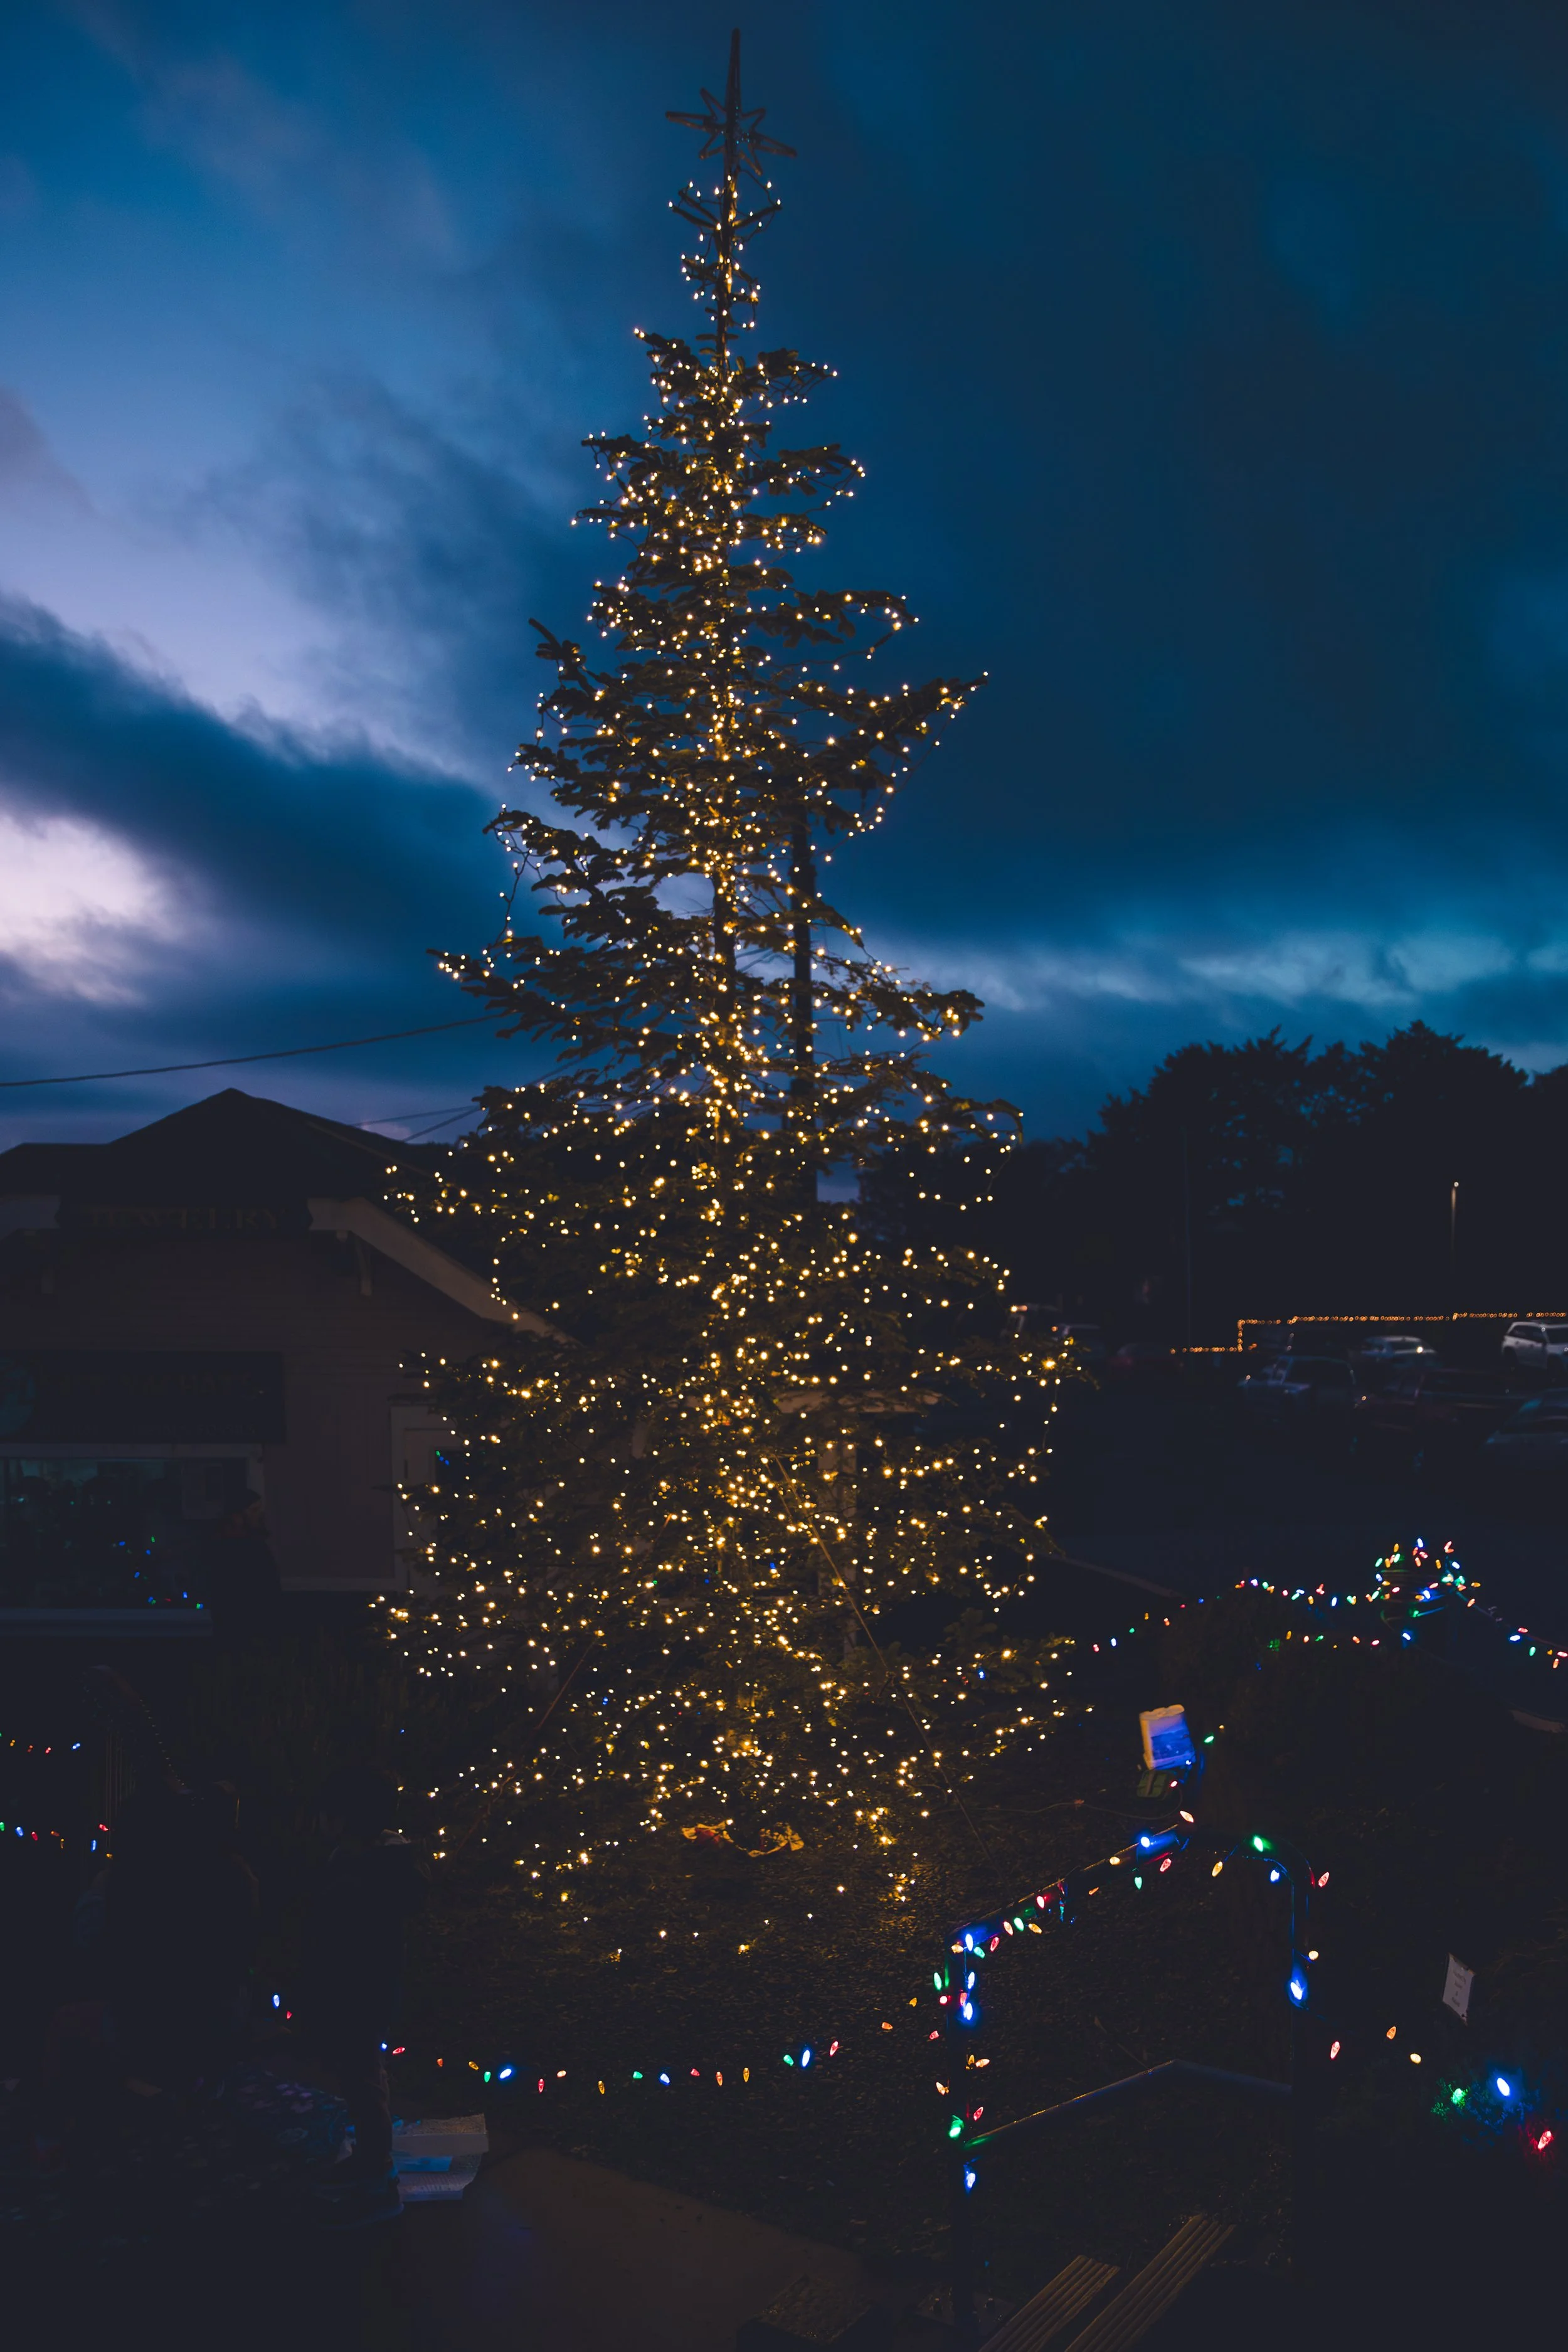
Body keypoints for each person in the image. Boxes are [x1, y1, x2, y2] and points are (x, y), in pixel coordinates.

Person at [297, 1762, 428, 2227]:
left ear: (343, 1819)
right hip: (367, 1990)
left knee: (361, 2075)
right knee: (363, 2073)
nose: (316, 1823)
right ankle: (373, 2159)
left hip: (358, 1992)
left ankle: (375, 2174)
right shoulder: (373, 1861)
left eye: (325, 1814)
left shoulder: (360, 1872)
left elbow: (341, 1941)